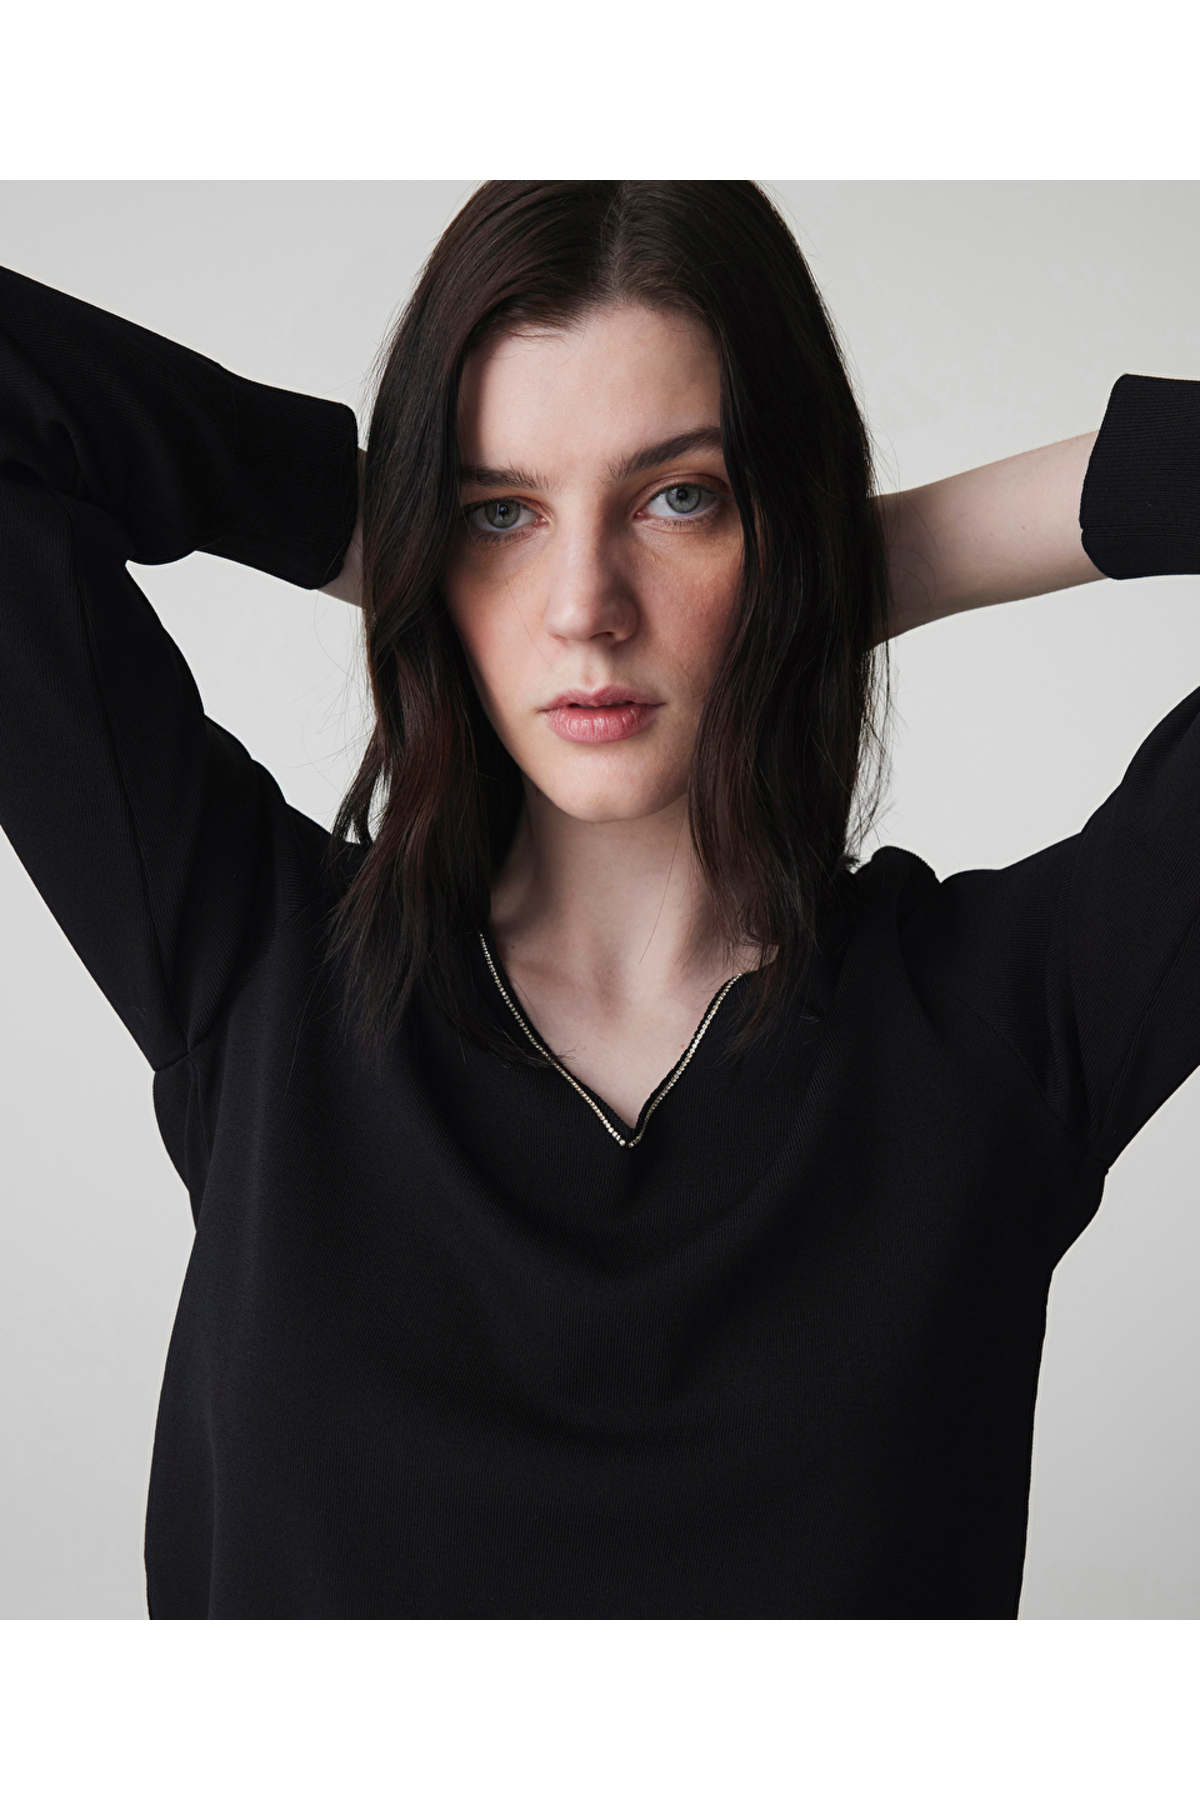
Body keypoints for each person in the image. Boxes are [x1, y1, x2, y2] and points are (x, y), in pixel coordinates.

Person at [0, 179, 1196, 1619]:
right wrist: (398, 541)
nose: (583, 606)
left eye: (682, 497)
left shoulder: (1006, 1031)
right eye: (503, 510)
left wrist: (862, 563)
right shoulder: (254, 971)